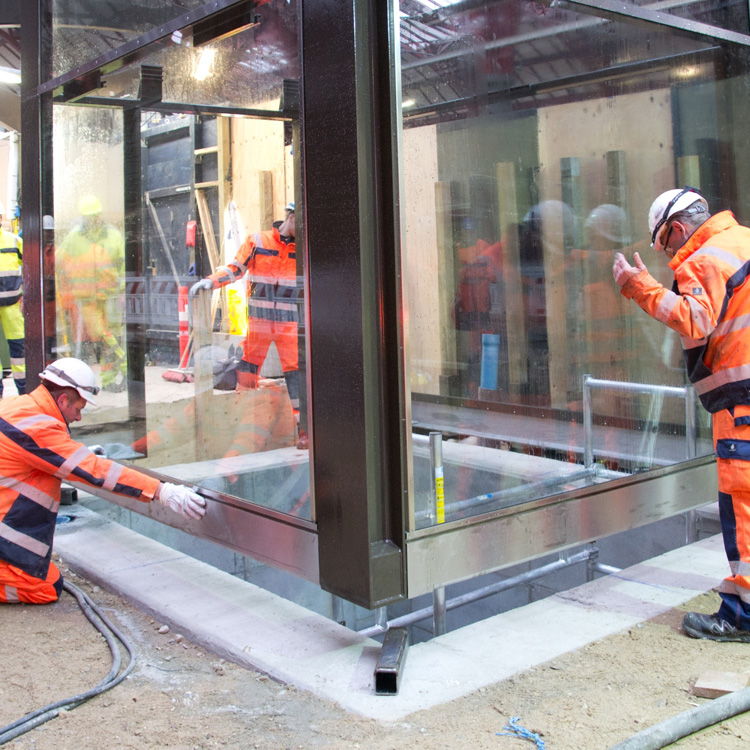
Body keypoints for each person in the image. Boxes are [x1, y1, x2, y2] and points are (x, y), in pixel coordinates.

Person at [613, 186, 750, 642]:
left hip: (742, 403)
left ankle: (741, 614)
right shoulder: (744, 241)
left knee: (742, 505)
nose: (668, 254)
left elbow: (694, 318)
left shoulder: (704, 258)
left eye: (664, 244)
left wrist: (639, 287)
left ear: (676, 228)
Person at [0, 358, 207, 604]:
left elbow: (39, 452)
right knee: (45, 589)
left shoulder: (18, 406)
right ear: (63, 399)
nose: (78, 418)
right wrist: (161, 491)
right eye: (78, 409)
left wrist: (79, 453)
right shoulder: (38, 426)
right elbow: (96, 471)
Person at [191, 202, 306, 449]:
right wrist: (211, 282)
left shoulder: (304, 248)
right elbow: (235, 270)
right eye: (304, 222)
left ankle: (303, 430)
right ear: (293, 216)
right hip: (260, 322)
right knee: (248, 366)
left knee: (296, 373)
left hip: (288, 323)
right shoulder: (258, 241)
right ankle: (239, 418)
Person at [57, 195, 127, 391]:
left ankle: (109, 380)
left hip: (110, 296)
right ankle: (121, 369)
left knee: (110, 338)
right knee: (98, 338)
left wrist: (122, 292)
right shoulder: (74, 238)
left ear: (99, 215)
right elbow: (59, 262)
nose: (92, 220)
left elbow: (122, 266)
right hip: (86, 301)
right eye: (88, 217)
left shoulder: (113, 236)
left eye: (94, 216)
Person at [0, 199, 25, 397]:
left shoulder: (13, 240)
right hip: (13, 304)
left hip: (13, 304)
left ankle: (24, 389)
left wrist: (25, 293)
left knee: (18, 347)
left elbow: (30, 266)